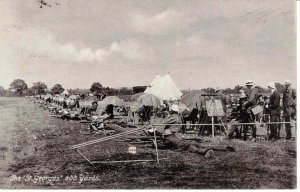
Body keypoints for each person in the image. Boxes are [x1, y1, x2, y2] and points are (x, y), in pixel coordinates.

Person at [161, 104, 236, 158]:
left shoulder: (173, 117)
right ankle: (225, 147)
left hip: (170, 137)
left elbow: (161, 123)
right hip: (175, 136)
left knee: (187, 145)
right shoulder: (178, 117)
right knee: (196, 144)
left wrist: (166, 116)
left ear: (172, 111)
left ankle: (204, 152)